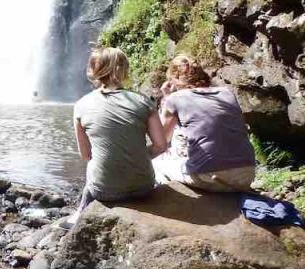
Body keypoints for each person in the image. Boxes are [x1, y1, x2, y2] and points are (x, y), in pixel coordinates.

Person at [71, 47, 167, 218]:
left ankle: (79, 214)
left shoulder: (81, 105)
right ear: (124, 69)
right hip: (143, 189)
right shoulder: (143, 101)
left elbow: (86, 155)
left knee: (94, 163)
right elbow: (160, 146)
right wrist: (135, 156)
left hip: (104, 191)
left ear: (93, 71)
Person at [153, 54, 256, 192]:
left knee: (157, 162)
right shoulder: (226, 92)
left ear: (175, 80)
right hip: (247, 174)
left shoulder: (175, 98)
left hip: (210, 176)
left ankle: (173, 203)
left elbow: (161, 141)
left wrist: (166, 98)